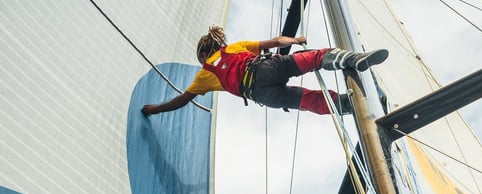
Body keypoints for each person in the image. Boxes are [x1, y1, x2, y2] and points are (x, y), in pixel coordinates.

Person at [141, 25, 388, 117]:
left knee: (307, 101)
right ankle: (354, 59)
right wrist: (295, 40)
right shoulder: (233, 47)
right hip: (266, 68)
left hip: (260, 95)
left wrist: (156, 109)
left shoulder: (205, 75)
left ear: (204, 55)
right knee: (314, 58)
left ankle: (352, 106)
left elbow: (181, 101)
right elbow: (275, 42)